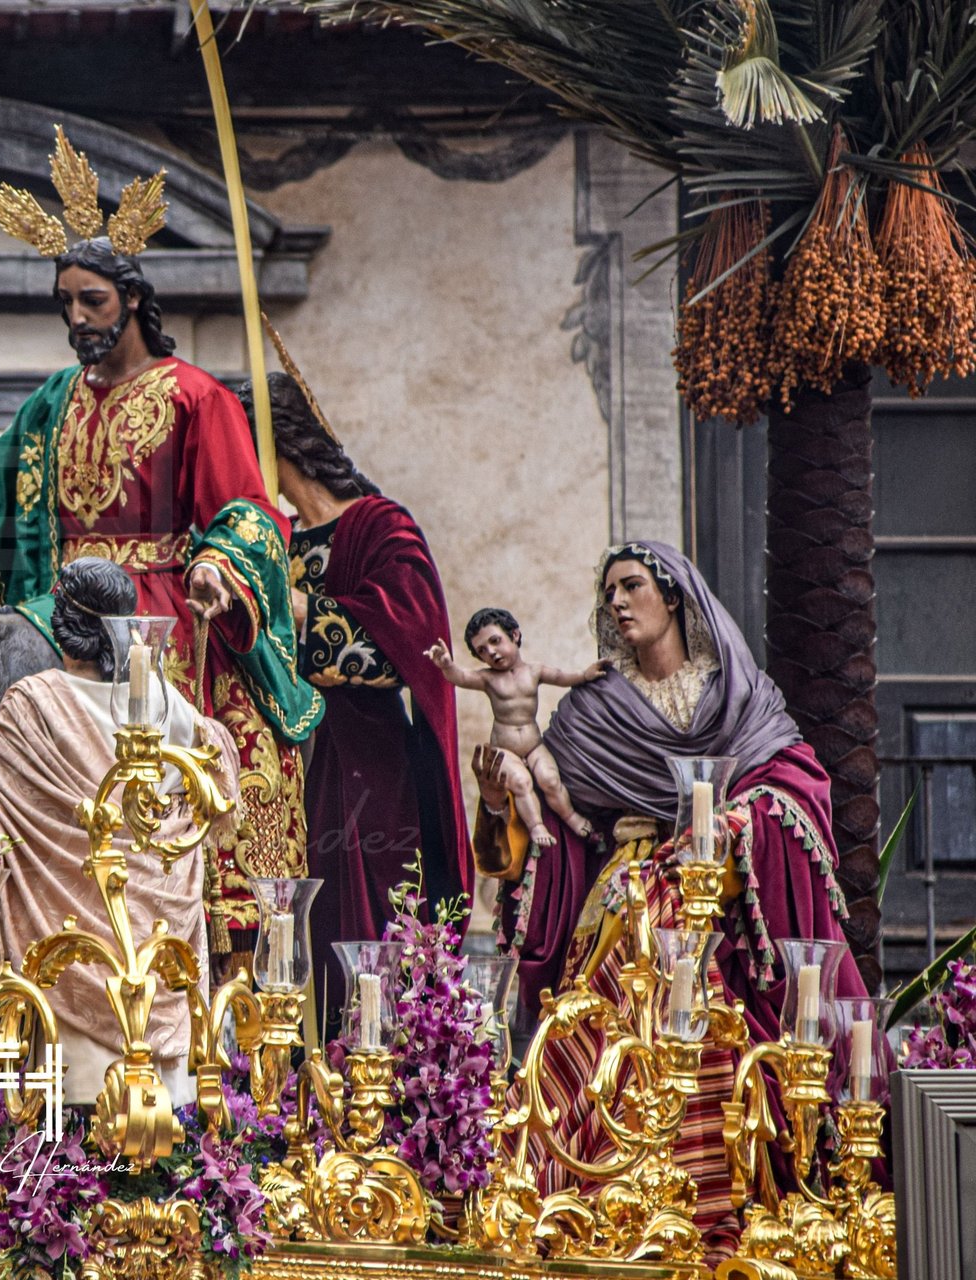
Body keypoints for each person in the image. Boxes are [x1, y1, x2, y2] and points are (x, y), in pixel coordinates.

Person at [0, 130, 319, 959]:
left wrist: (218, 563)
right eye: (65, 304)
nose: (77, 319)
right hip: (56, 611)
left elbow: (248, 511)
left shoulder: (196, 398)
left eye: (91, 301)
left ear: (130, 297)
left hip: (161, 617)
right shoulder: (54, 401)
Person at [475, 541, 866, 1244]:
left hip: (721, 894)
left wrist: (739, 822)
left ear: (676, 597)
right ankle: (607, 1195)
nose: (617, 603)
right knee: (634, 952)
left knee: (716, 999)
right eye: (609, 593)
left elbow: (795, 782)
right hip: (629, 898)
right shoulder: (591, 712)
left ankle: (734, 1195)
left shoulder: (739, 693)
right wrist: (497, 803)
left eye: (631, 586)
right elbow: (556, 841)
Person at [0, 557, 240, 1106]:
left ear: (61, 624)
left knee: (78, 1142)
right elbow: (217, 762)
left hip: (69, 961)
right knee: (174, 1141)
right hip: (159, 959)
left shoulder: (34, 704)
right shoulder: (164, 703)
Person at [246, 371, 469, 971]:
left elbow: (412, 649)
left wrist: (297, 612)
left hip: (368, 767)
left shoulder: (380, 526)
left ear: (270, 446)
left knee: (366, 933)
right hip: (286, 769)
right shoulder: (270, 540)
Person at [426, 606, 608, 847]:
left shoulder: (535, 671)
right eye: (482, 650)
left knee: (550, 780)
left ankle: (572, 818)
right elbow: (460, 677)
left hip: (533, 745)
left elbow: (563, 677)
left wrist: (585, 675)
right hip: (505, 749)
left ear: (514, 635)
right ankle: (536, 826)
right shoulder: (487, 678)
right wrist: (447, 665)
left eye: (495, 641)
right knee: (521, 782)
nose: (491, 652)